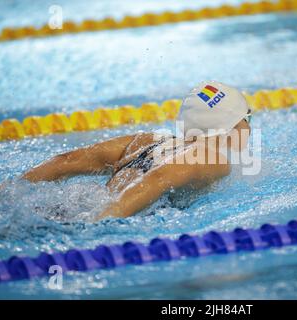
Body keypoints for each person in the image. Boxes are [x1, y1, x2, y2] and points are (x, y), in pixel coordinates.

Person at [22, 81, 252, 220]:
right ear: (232, 124)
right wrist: (99, 220)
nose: (250, 126)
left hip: (71, 206)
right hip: (98, 217)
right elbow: (159, 177)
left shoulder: (148, 140)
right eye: (247, 117)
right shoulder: (212, 156)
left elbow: (68, 159)